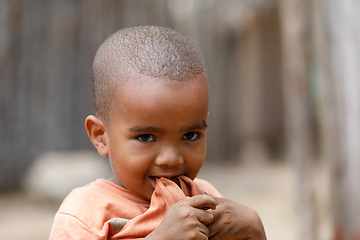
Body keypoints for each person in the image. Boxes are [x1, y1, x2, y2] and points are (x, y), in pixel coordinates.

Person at [49, 25, 266, 240]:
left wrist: (254, 230)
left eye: (190, 135)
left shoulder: (206, 199)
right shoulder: (85, 214)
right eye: (146, 137)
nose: (171, 158)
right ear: (100, 136)